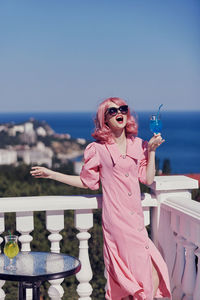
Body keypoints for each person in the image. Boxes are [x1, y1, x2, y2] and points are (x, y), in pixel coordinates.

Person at [31, 97, 171, 300]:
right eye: (112, 111)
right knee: (143, 273)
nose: (119, 113)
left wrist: (151, 151)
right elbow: (88, 182)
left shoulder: (139, 145)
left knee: (152, 270)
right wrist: (52, 174)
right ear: (104, 119)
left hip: (137, 222)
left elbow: (147, 179)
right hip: (117, 221)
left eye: (123, 109)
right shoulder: (97, 149)